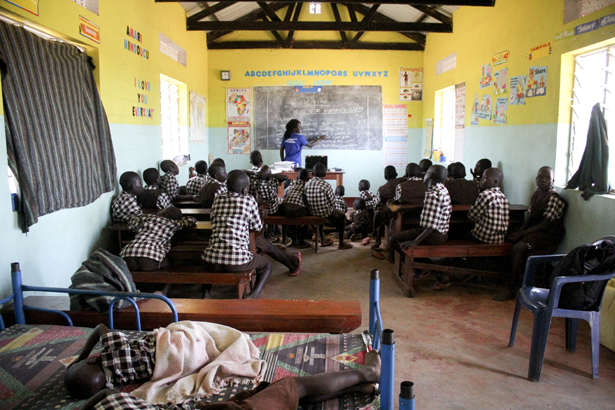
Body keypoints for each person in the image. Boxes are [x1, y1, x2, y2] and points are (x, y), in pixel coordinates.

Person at [68, 322, 380, 410]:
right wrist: (79, 359)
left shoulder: (112, 398)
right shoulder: (113, 398)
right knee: (291, 388)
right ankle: (367, 373)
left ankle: (360, 383)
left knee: (278, 393)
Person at [494, 166, 566, 301]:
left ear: (553, 180)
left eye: (547, 178)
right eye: (540, 177)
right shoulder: (537, 194)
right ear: (536, 179)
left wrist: (522, 234)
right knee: (508, 236)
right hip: (536, 231)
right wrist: (520, 231)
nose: (543, 180)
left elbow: (545, 224)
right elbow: (531, 218)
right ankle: (507, 278)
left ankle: (512, 288)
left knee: (518, 248)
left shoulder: (553, 198)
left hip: (547, 235)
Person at [201, 170, 272, 298]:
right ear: (245, 189)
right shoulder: (249, 201)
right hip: (237, 261)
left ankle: (205, 294)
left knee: (209, 261)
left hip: (211, 260)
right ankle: (252, 297)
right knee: (267, 265)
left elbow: (212, 219)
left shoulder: (218, 199)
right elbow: (257, 227)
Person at [388, 165, 452, 290]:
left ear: (431, 176)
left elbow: (431, 226)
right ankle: (422, 269)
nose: (424, 174)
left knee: (394, 239)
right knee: (403, 238)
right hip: (441, 232)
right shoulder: (442, 189)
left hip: (433, 234)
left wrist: (415, 241)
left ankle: (432, 271)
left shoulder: (433, 194)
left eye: (427, 172)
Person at [121, 206, 196, 271]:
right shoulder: (173, 224)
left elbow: (132, 221)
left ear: (164, 213)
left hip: (127, 253)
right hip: (149, 256)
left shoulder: (147, 218)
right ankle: (164, 285)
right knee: (171, 262)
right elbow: (191, 220)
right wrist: (181, 219)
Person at [305, 163, 353, 250]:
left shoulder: (307, 184)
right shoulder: (326, 185)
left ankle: (323, 240)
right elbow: (332, 202)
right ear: (324, 174)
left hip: (311, 212)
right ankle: (341, 243)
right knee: (341, 216)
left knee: (319, 212)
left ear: (312, 173)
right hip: (325, 212)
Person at [467, 168, 509, 244]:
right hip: (499, 238)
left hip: (484, 237)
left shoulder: (485, 194)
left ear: (495, 182)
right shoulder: (503, 196)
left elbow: (472, 215)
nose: (481, 180)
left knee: (460, 235)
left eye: (484, 178)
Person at [372, 166, 404, 250]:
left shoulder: (382, 189)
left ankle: (377, 239)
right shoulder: (402, 182)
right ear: (396, 174)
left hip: (391, 215)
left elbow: (377, 205)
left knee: (378, 213)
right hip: (404, 211)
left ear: (385, 177)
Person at [279, 169, 311, 248]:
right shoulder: (307, 185)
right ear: (308, 179)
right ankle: (301, 240)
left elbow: (285, 194)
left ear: (297, 177)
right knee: (310, 215)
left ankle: (292, 239)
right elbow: (308, 200)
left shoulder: (292, 183)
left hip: (285, 208)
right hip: (297, 209)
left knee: (290, 218)